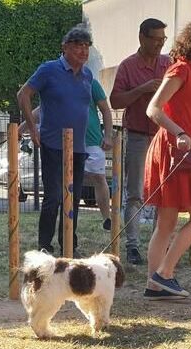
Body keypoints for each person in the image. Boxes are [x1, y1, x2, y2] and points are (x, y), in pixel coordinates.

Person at [142, 21, 191, 301]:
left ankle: (154, 285)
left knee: (166, 223)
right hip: (174, 149)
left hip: (180, 150)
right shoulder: (180, 69)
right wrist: (180, 133)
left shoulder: (190, 72)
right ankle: (164, 274)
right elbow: (154, 109)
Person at [17, 24, 95, 258]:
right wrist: (32, 128)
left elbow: (67, 104)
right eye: (77, 46)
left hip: (79, 147)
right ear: (65, 48)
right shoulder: (49, 70)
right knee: (54, 197)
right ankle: (45, 245)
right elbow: (24, 95)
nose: (83, 51)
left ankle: (69, 244)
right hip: (52, 144)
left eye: (86, 46)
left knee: (74, 197)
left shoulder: (87, 75)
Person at [109, 17, 169, 265]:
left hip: (163, 135)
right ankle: (132, 245)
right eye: (155, 39)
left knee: (164, 193)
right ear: (142, 38)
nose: (159, 44)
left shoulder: (168, 64)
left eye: (163, 40)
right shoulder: (127, 67)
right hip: (136, 136)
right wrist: (142, 89)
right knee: (134, 192)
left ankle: (160, 243)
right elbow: (115, 101)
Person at [82, 76, 114, 232]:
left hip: (93, 141)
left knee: (99, 178)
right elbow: (42, 110)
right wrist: (22, 129)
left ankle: (106, 218)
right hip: (68, 141)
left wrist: (107, 136)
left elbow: (105, 110)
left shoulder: (91, 83)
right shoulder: (59, 81)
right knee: (67, 179)